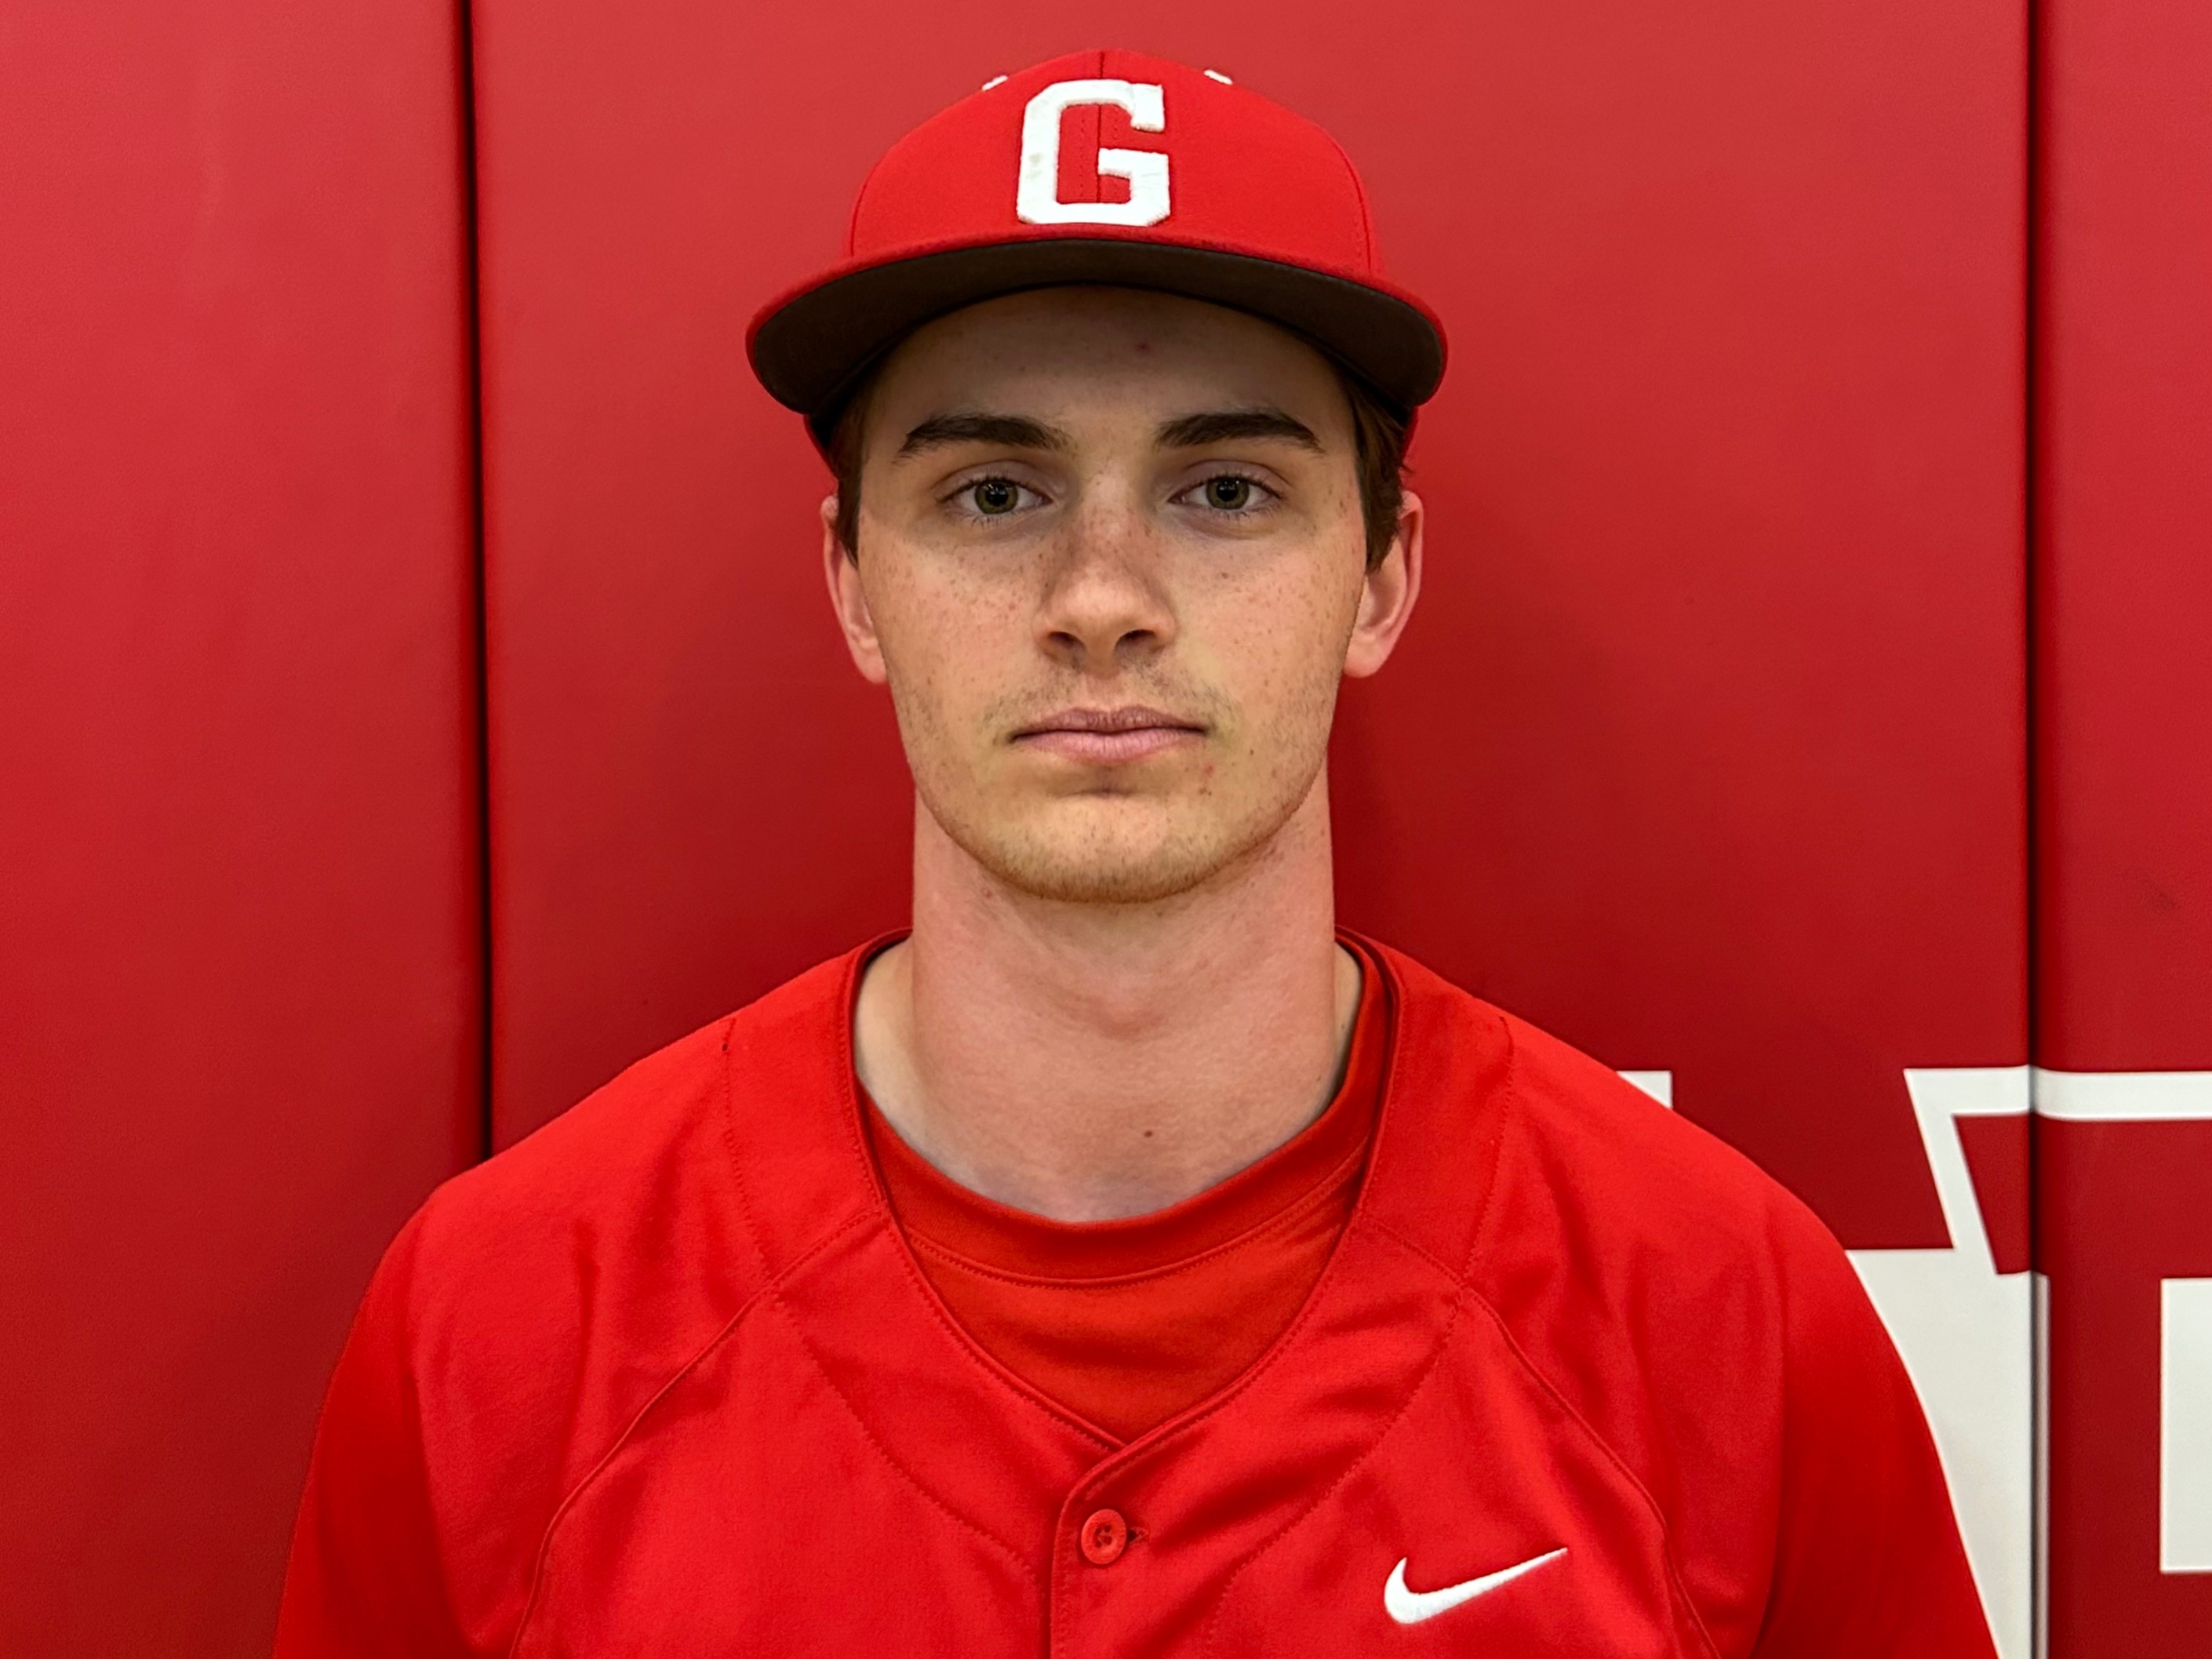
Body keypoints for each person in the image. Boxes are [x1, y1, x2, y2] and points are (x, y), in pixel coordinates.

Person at [274, 49, 1996, 1657]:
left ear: (1383, 576)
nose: (1102, 600)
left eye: (1225, 489)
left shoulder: (1722, 1314)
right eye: (994, 493)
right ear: (853, 582)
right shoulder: (499, 1329)